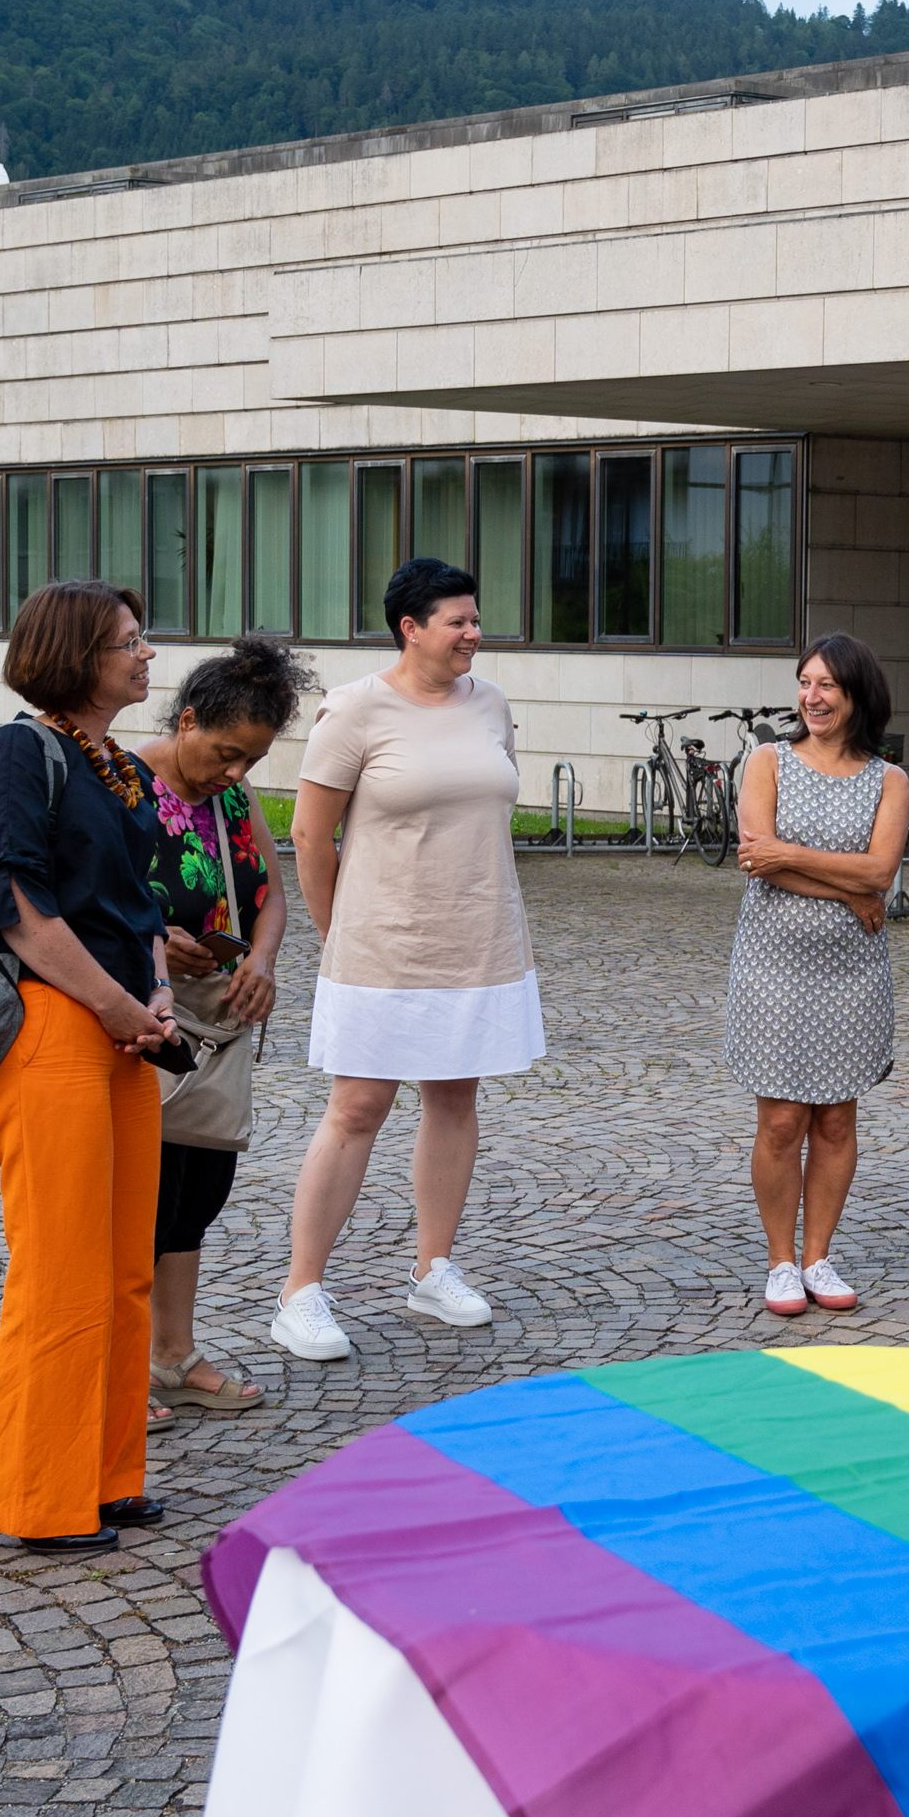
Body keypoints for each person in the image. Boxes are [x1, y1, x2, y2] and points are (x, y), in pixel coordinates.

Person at [269, 558, 544, 1360]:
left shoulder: (490, 703)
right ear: (410, 628)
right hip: (382, 944)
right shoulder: (354, 710)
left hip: (480, 937)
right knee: (356, 1108)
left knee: (455, 1097)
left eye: (474, 617)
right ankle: (301, 1290)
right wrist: (336, 934)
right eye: (456, 621)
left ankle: (433, 1268)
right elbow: (310, 836)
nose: (473, 632)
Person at [0, 581, 178, 1552]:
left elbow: (141, 901)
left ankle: (107, 1476)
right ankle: (30, 1500)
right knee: (58, 1271)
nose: (147, 656)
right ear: (77, 656)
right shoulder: (20, 751)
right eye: (129, 643)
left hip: (129, 1032)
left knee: (124, 1269)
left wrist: (159, 994)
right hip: (54, 1027)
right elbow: (16, 903)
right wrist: (115, 1003)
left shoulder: (123, 770)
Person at [136, 636, 312, 1414]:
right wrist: (148, 936)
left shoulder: (233, 801)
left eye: (250, 760)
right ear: (188, 719)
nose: (236, 773)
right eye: (226, 752)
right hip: (142, 1020)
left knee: (195, 1192)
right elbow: (85, 892)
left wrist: (263, 961)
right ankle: (119, 1368)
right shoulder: (123, 783)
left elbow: (271, 892)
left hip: (214, 1025)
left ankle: (172, 1355)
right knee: (134, 1201)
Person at [726, 633, 909, 1316]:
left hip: (852, 971)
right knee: (780, 1119)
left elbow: (881, 871)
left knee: (835, 1119)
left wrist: (794, 857)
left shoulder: (889, 779)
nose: (813, 695)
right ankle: (779, 1261)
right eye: (805, 681)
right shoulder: (768, 760)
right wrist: (847, 888)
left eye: (827, 683)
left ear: (857, 692)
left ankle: (817, 1256)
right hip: (773, 964)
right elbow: (755, 858)